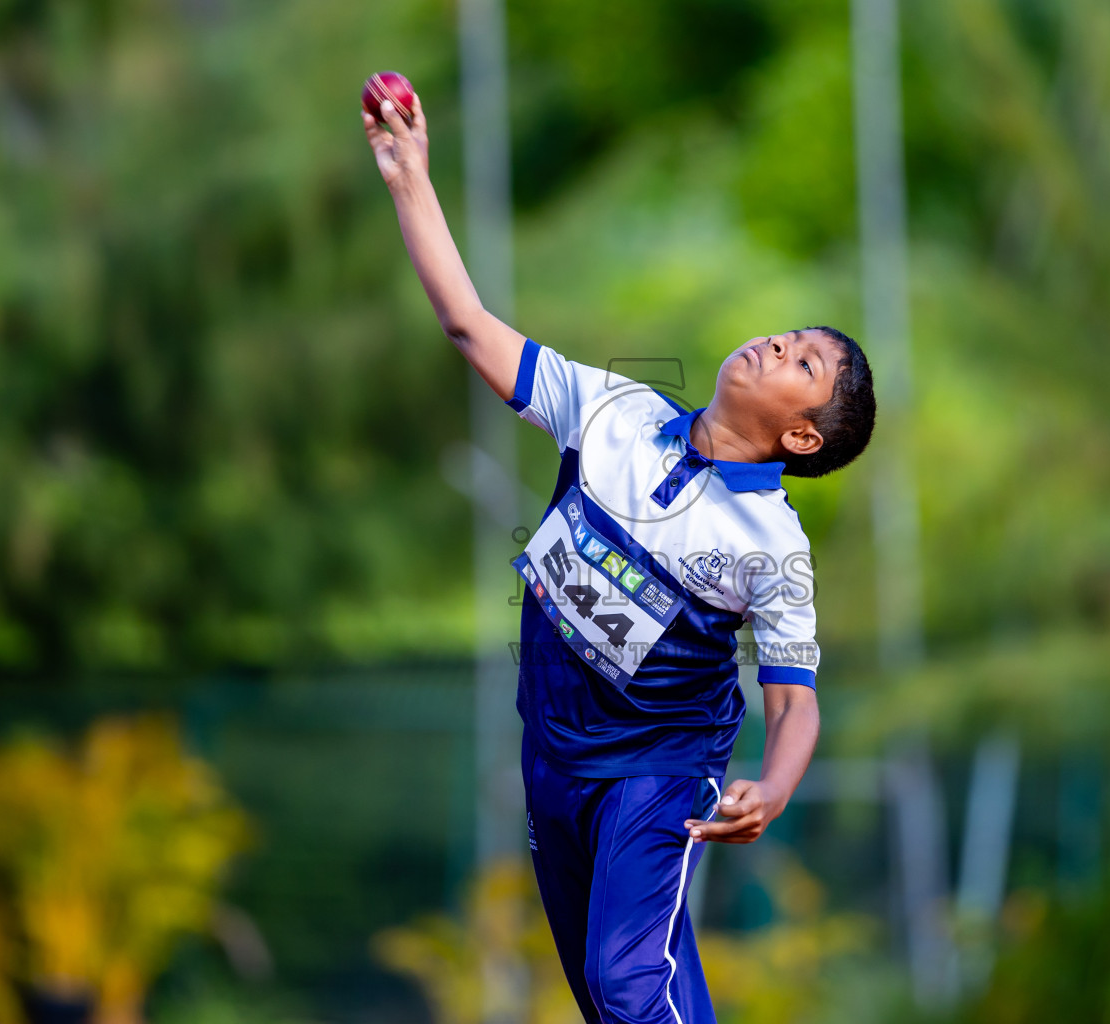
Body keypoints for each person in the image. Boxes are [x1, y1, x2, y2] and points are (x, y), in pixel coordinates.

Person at [364, 90, 876, 1024]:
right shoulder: (614, 412)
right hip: (553, 749)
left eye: (803, 363)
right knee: (612, 1000)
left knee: (629, 983)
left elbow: (795, 701)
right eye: (791, 335)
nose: (776, 342)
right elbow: (472, 326)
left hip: (659, 767)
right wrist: (410, 181)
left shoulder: (774, 548)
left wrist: (778, 782)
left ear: (803, 439)